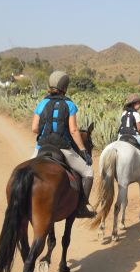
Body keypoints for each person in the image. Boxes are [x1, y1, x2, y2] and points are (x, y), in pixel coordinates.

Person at [31, 71, 95, 218]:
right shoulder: (69, 104)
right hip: (62, 148)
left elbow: (34, 128)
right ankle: (81, 207)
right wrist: (83, 150)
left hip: (41, 147)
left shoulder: (42, 103)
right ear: (65, 87)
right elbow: (73, 130)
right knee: (88, 173)